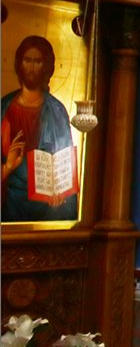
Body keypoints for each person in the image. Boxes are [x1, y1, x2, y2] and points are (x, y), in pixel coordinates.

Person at [2, 36, 76, 222]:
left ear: (46, 66)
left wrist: (61, 191)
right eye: (27, 60)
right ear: (20, 64)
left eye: (38, 61)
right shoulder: (4, 107)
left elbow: (65, 163)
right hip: (11, 200)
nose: (32, 67)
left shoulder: (56, 110)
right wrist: (8, 167)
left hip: (46, 205)